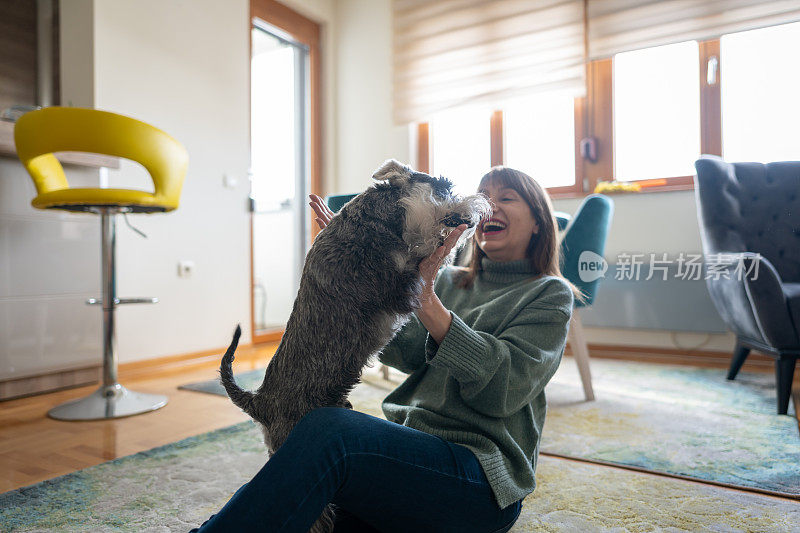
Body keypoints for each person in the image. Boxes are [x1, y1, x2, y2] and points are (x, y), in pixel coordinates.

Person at [191, 167, 578, 533]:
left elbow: (504, 388)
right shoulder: (448, 280)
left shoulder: (549, 294)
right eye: (485, 195)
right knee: (303, 493)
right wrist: (356, 273)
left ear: (540, 220)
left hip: (480, 483)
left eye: (506, 198)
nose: (489, 204)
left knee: (331, 431)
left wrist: (424, 298)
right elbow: (405, 351)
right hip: (412, 460)